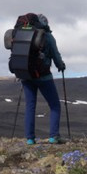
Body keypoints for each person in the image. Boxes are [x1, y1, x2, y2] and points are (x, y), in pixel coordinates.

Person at [21, 14, 66, 144]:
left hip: (26, 75)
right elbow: (55, 55)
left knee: (30, 106)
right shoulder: (47, 36)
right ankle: (53, 136)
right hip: (43, 76)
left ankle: (30, 139)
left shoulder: (25, 33)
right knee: (54, 105)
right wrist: (61, 66)